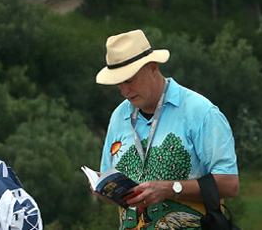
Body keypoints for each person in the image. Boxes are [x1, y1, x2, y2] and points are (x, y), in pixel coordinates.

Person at [95, 29, 239, 230]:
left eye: (129, 80)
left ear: (153, 68)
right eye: (118, 83)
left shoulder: (201, 112)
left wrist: (171, 189)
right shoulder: (119, 116)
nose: (124, 91)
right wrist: (103, 190)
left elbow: (230, 184)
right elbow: (107, 182)